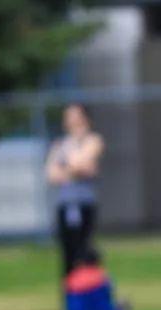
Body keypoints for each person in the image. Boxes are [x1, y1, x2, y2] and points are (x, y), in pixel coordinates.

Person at [45, 104, 105, 277]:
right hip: (65, 204)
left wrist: (68, 166)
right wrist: (75, 169)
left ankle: (89, 292)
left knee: (85, 251)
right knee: (67, 254)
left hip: (84, 203)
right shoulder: (60, 143)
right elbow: (51, 175)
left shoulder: (93, 140)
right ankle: (71, 298)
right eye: (68, 116)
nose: (71, 120)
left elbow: (82, 163)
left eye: (75, 116)